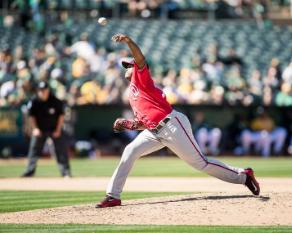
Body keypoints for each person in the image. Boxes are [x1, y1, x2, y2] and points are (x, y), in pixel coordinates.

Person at [96, 34, 260, 208]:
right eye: (126, 66)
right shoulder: (133, 93)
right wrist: (128, 124)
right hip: (154, 131)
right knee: (130, 151)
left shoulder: (141, 78)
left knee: (201, 163)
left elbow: (141, 58)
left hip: (172, 125)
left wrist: (128, 41)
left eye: (129, 65)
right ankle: (113, 196)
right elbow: (145, 121)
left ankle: (243, 175)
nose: (126, 68)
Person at [21, 81, 71, 177]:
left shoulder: (55, 101)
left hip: (54, 129)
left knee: (61, 151)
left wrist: (58, 130)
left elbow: (61, 116)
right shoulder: (34, 102)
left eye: (44, 90)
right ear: (38, 91)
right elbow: (31, 117)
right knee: (34, 150)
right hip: (40, 129)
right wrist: (35, 129)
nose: (42, 92)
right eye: (40, 90)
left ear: (48, 90)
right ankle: (29, 172)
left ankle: (66, 173)